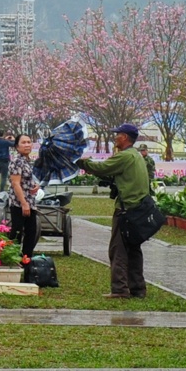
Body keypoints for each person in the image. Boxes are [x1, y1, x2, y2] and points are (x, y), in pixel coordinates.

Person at [79, 123, 153, 299]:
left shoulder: (125, 156)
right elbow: (109, 173)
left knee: (118, 249)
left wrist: (81, 162)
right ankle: (138, 289)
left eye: (117, 134)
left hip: (126, 210)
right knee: (134, 249)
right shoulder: (135, 155)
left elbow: (102, 168)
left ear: (125, 137)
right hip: (138, 209)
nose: (114, 137)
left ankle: (119, 289)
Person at [8, 133, 39, 261]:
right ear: (17, 146)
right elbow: (15, 183)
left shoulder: (28, 161)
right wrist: (24, 203)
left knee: (31, 233)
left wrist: (36, 186)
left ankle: (26, 260)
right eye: (23, 143)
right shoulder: (17, 161)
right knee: (17, 232)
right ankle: (11, 259)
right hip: (18, 203)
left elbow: (28, 180)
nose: (27, 145)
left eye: (29, 142)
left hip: (30, 201)